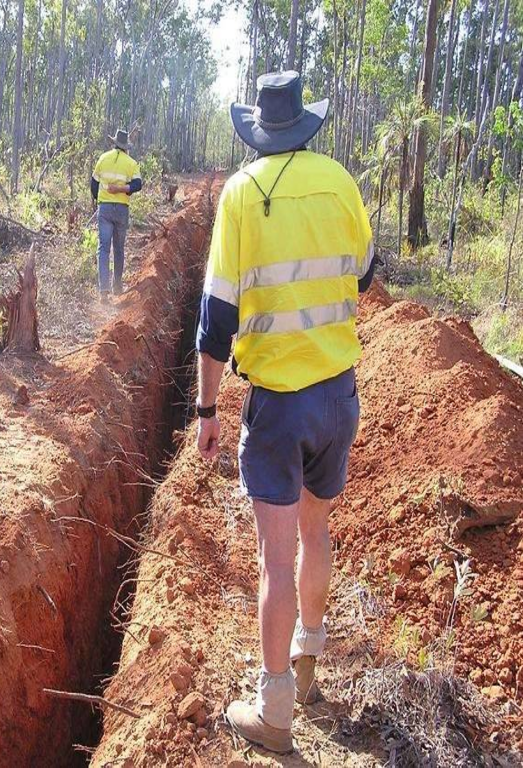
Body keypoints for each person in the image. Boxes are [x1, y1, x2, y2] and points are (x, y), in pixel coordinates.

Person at [195, 71, 376, 754]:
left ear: (258, 131)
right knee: (316, 530)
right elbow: (364, 272)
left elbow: (217, 318)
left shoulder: (243, 193)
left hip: (277, 404)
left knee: (275, 556)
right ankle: (307, 665)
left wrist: (207, 408)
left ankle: (274, 717)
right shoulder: (341, 183)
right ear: (304, 125)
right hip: (338, 395)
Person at [90, 130, 143, 300]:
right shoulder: (131, 163)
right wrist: (123, 189)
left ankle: (103, 290)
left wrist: (100, 200)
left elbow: (93, 184)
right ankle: (117, 286)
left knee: (103, 248)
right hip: (121, 210)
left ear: (114, 143)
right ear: (126, 147)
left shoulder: (103, 158)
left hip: (104, 209)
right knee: (118, 249)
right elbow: (138, 185)